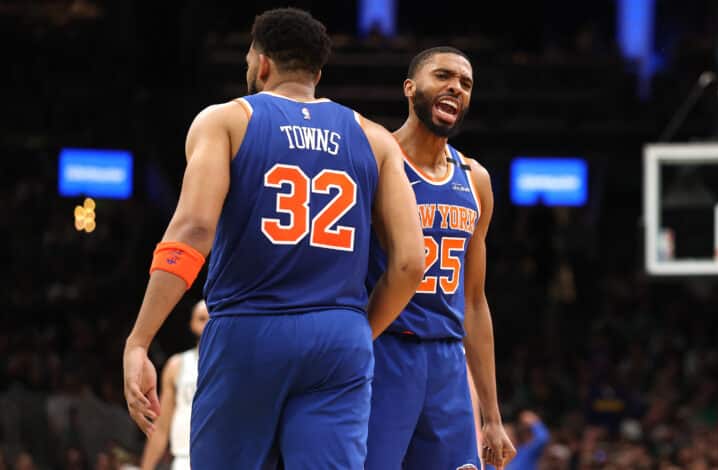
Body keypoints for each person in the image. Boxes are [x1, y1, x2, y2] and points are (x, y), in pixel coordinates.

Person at [122, 8, 425, 469]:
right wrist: (359, 330)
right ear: (317, 73)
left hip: (249, 327)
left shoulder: (225, 120)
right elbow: (409, 263)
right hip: (338, 335)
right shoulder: (376, 139)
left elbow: (194, 230)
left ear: (261, 63)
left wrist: (140, 339)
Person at [365, 46, 516, 469]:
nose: (456, 87)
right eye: (443, 76)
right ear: (410, 88)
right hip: (384, 350)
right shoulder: (376, 161)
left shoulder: (475, 179)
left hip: (448, 361)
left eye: (466, 84)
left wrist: (492, 416)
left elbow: (474, 301)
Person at [139, 300, 208, 470]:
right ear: (191, 324)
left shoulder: (234, 363)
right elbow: (162, 427)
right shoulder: (177, 365)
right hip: (184, 457)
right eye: (201, 319)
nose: (207, 324)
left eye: (212, 318)